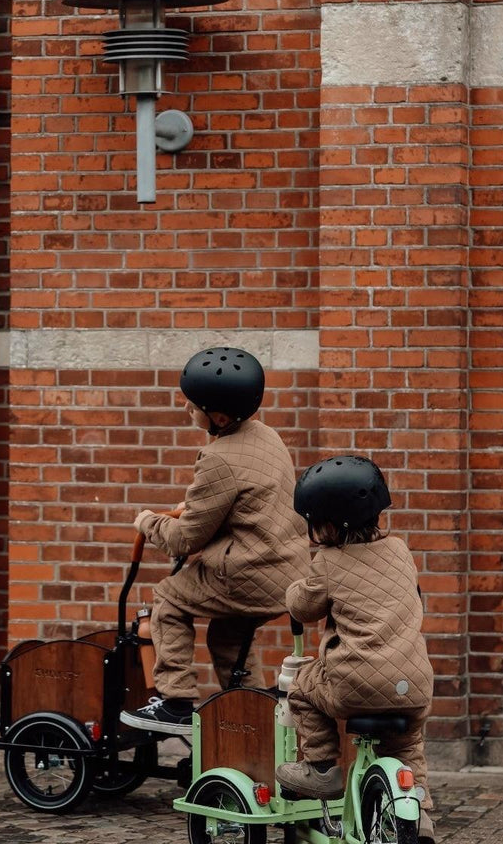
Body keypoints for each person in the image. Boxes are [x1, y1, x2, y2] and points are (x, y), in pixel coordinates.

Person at [120, 346, 309, 734]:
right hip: (288, 572)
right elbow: (248, 504)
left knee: (169, 598)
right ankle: (252, 712)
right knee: (227, 632)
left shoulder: (219, 457)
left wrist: (147, 521)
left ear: (218, 416)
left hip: (248, 575)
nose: (188, 410)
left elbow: (184, 541)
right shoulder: (267, 436)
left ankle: (175, 701)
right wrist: (197, 509)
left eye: (193, 406)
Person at [274, 455, 436, 844]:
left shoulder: (328, 562)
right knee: (407, 746)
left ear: (328, 525)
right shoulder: (400, 551)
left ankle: (321, 769)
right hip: (413, 683)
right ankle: (422, 819)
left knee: (303, 686)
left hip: (354, 683)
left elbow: (304, 606)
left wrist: (293, 590)